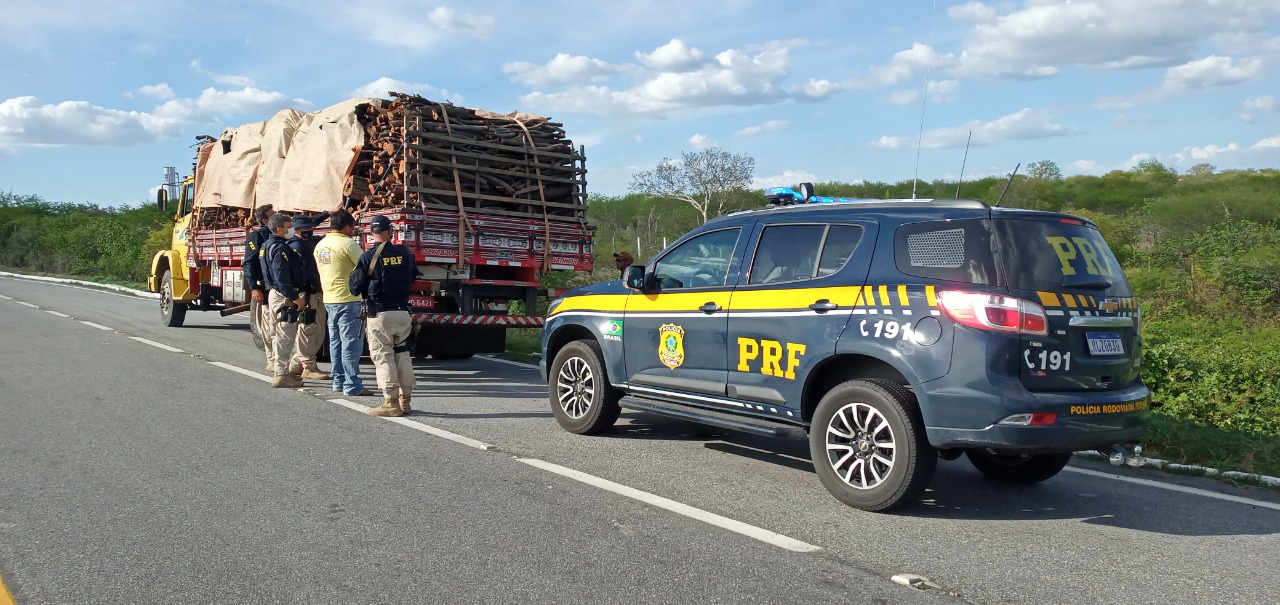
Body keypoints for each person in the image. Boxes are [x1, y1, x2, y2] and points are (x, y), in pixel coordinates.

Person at [350, 215, 418, 417]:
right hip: (403, 313)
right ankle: (405, 401)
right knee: (403, 354)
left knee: (383, 356)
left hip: (380, 314)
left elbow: (354, 287)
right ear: (390, 231)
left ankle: (391, 402)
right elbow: (413, 275)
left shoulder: (367, 257)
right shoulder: (405, 253)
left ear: (372, 233)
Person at [314, 210, 373, 397]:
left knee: (336, 342)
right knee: (351, 344)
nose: (353, 231)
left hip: (330, 298)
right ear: (347, 227)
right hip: (349, 299)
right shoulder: (348, 245)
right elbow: (366, 268)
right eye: (352, 227)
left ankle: (338, 381)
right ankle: (352, 385)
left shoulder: (320, 245)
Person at [263, 213, 307, 388]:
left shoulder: (267, 245)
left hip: (276, 293)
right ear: (279, 228)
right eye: (289, 226)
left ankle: (281, 370)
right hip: (284, 296)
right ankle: (281, 374)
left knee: (277, 334)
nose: (291, 229)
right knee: (284, 335)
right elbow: (282, 277)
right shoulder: (280, 248)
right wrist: (295, 298)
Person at [286, 215, 330, 381]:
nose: (309, 231)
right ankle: (308, 366)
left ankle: (297, 363)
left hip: (315, 292)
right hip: (307, 293)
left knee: (316, 330)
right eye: (305, 229)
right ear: (297, 230)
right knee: (308, 329)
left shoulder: (309, 243)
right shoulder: (296, 246)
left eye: (310, 228)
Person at [242, 204, 276, 372]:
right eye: (272, 214)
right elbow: (249, 263)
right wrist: (254, 287)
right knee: (269, 324)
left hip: (278, 286)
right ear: (264, 220)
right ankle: (271, 360)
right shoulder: (257, 237)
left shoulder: (277, 234)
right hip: (265, 287)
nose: (276, 216)